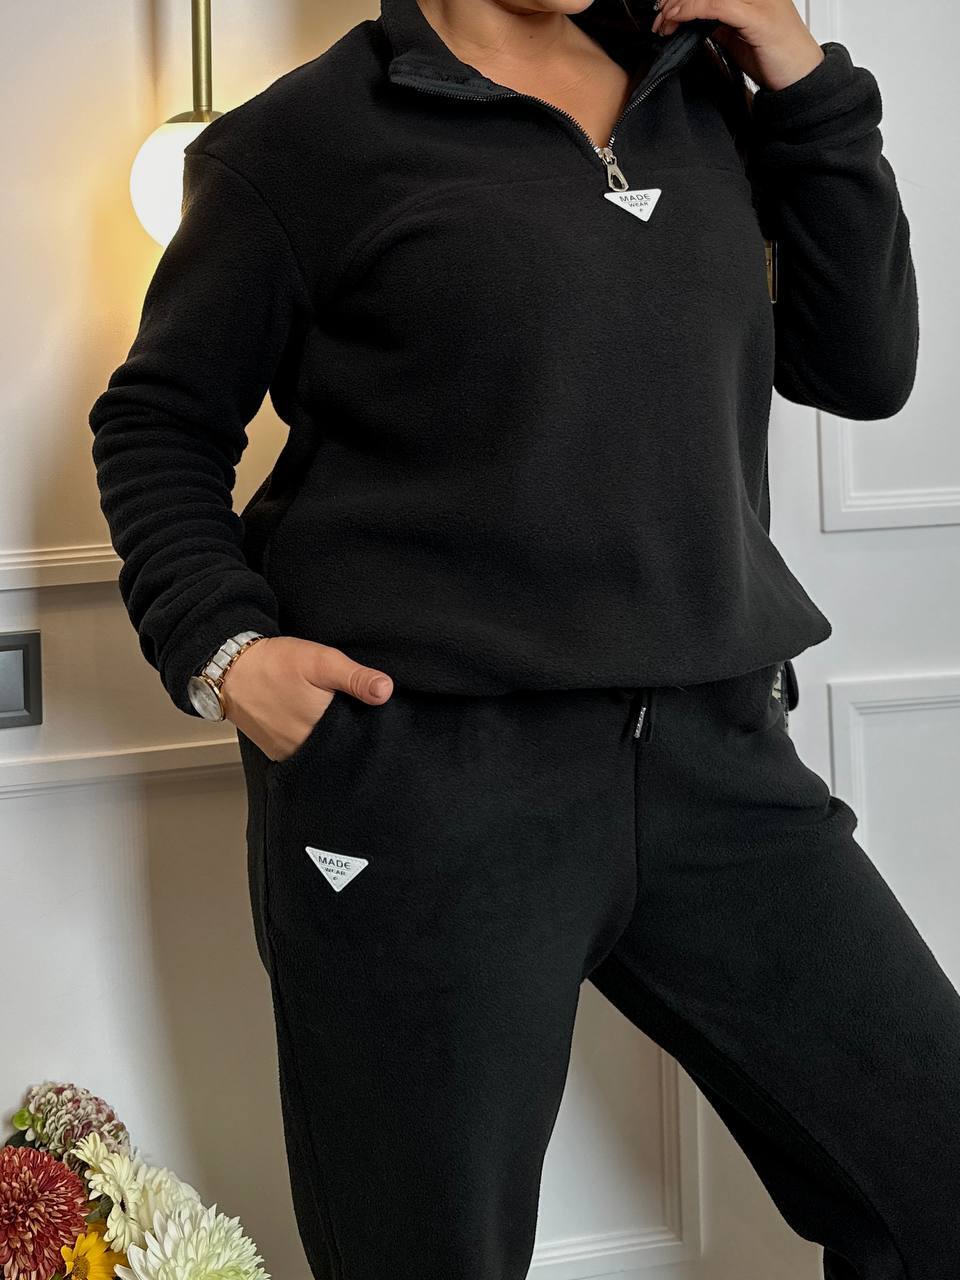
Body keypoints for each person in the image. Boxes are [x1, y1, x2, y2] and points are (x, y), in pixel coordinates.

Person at [88, 0, 959, 1277]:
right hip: (427, 782)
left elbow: (864, 367)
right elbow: (158, 419)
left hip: (717, 758)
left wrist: (801, 74)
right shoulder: (302, 141)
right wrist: (221, 649)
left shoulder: (703, 94)